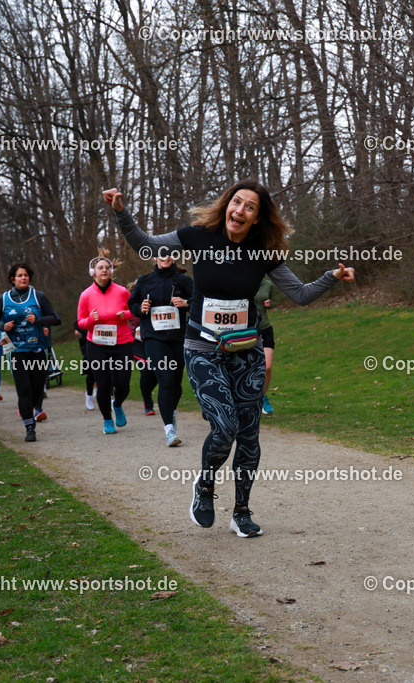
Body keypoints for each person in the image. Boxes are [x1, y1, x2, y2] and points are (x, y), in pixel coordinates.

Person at [103, 180, 354, 538]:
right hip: (203, 348)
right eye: (237, 202)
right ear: (227, 205)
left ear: (256, 218)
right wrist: (120, 213)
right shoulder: (198, 235)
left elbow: (298, 294)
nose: (240, 211)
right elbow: (147, 245)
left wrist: (332, 276)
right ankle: (205, 486)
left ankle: (241, 511)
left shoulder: (262, 251)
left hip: (245, 351)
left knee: (249, 436)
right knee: (225, 427)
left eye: (250, 207)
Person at [128, 255, 193, 446]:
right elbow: (132, 305)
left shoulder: (184, 280)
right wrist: (141, 308)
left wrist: (186, 303)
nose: (166, 257)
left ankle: (170, 412)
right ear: (155, 257)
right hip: (154, 338)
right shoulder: (144, 280)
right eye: (161, 254)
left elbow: (199, 300)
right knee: (165, 379)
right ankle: (169, 431)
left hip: (178, 337)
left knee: (175, 381)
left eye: (170, 253)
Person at [0, 263, 61, 442]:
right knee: (23, 390)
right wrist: (2, 326)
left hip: (38, 350)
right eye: (19, 275)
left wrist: (38, 320)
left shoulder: (38, 296)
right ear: (12, 279)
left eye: (26, 275)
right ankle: (30, 427)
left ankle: (30, 409)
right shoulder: (4, 299)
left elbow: (55, 319)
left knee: (37, 390)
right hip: (16, 351)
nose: (23, 278)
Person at [76, 253, 132, 434]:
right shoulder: (86, 295)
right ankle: (107, 420)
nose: (104, 270)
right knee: (103, 383)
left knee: (123, 383)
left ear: (111, 271)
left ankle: (117, 404)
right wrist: (91, 320)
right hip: (97, 345)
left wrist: (127, 314)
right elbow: (80, 322)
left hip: (122, 342)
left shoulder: (122, 291)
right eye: (100, 268)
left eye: (107, 267)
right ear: (93, 272)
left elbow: (134, 310)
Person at [255, 276, 276, 415]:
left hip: (265, 328)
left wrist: (270, 303)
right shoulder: (242, 280)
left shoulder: (268, 284)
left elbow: (271, 300)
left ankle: (261, 398)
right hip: (246, 330)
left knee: (267, 367)